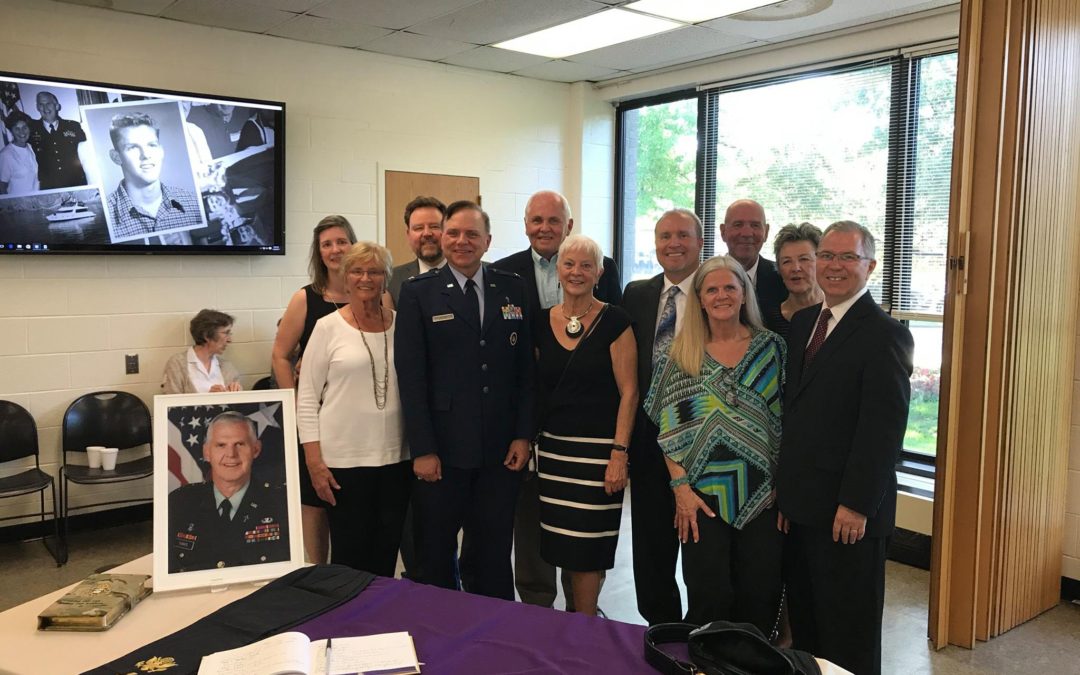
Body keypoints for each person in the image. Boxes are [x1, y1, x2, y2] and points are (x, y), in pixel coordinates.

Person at [776, 221, 914, 675]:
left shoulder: (884, 334)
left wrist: (856, 504)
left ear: (870, 266)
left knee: (848, 634)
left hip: (847, 515)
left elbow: (883, 430)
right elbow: (794, 419)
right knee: (811, 631)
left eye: (847, 257)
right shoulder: (801, 327)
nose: (834, 266)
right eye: (827, 256)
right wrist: (787, 494)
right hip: (801, 509)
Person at [395, 200, 533, 600]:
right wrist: (422, 448)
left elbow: (525, 371)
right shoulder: (418, 293)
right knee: (435, 555)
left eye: (472, 234)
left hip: (499, 451)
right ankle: (441, 635)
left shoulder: (512, 287)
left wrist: (523, 435)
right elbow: (412, 378)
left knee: (491, 553)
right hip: (443, 452)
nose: (461, 241)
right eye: (453, 233)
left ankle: (493, 633)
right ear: (442, 237)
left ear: (487, 241)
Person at [493, 189, 621, 610]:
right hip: (533, 422)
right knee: (531, 523)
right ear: (525, 225)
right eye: (536, 220)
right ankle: (536, 605)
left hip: (590, 428)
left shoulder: (604, 269)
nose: (544, 228)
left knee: (583, 527)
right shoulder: (504, 274)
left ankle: (582, 608)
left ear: (568, 225)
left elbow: (615, 344)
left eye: (553, 220)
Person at [645, 255, 786, 634]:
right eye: (712, 289)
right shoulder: (681, 357)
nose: (721, 295)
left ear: (744, 294)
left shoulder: (771, 350)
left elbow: (786, 424)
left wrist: (784, 486)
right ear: (701, 299)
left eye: (730, 287)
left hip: (763, 496)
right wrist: (681, 490)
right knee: (709, 595)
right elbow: (668, 431)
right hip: (701, 499)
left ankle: (753, 663)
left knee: (761, 592)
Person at [534, 234, 636, 616]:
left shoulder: (616, 321)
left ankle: (585, 627)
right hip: (556, 453)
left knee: (587, 548)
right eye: (569, 264)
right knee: (562, 544)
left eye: (586, 265)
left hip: (599, 455)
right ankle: (570, 625)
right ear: (558, 270)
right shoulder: (541, 322)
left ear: (600, 272)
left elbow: (629, 392)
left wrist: (619, 453)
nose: (577, 272)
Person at [297, 242, 411, 576]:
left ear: (385, 279)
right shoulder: (327, 328)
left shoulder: (401, 324)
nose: (366, 278)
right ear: (346, 279)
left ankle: (381, 622)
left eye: (374, 271)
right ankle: (346, 623)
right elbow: (307, 399)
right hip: (343, 462)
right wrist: (314, 462)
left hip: (395, 459)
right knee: (350, 554)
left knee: (386, 551)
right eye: (357, 271)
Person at [621, 207, 703, 624]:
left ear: (700, 242)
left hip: (702, 440)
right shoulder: (636, 294)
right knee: (651, 547)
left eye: (683, 235)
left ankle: (702, 633)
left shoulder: (718, 290)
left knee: (700, 546)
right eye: (665, 235)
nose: (674, 243)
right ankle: (661, 629)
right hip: (648, 440)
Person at [271, 215, 357, 564]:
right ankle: (318, 571)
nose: (335, 249)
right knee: (315, 501)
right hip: (316, 419)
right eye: (327, 244)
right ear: (318, 253)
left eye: (341, 241)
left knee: (350, 502)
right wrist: (293, 401)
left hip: (356, 420)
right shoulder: (305, 299)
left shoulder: (375, 294)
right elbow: (279, 355)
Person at [168, 411, 289, 573]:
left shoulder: (281, 502)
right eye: (221, 445)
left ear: (256, 449)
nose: (231, 454)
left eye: (239, 444)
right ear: (206, 452)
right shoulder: (180, 502)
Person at [105, 111, 202, 241]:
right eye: (132, 147)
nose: (146, 155)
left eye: (152, 145)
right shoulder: (105, 218)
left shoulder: (193, 203)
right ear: (116, 157)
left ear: (161, 150)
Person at [720, 199, 788, 332]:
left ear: (766, 232)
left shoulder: (783, 278)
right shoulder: (706, 280)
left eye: (755, 225)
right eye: (738, 225)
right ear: (723, 232)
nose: (746, 233)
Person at [161, 309, 242, 394]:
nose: (230, 340)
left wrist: (236, 392)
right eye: (226, 333)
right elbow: (171, 403)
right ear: (206, 335)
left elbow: (239, 404)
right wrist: (208, 400)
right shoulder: (177, 364)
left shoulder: (228, 367)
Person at [386, 196, 446, 307]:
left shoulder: (474, 273)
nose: (427, 233)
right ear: (408, 235)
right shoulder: (392, 280)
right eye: (418, 228)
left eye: (434, 226)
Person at [769, 223, 825, 339]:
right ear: (779, 268)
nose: (795, 268)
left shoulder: (838, 314)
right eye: (786, 261)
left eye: (804, 259)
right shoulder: (768, 321)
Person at [27, 91, 87, 189]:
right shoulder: (31, 130)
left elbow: (87, 153)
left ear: (57, 106)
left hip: (76, 183)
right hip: (49, 187)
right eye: (41, 104)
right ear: (37, 108)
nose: (45, 108)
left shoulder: (73, 126)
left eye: (48, 103)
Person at [0, 111, 39, 195]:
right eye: (17, 128)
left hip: (36, 202)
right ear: (11, 131)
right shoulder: (6, 154)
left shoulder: (31, 148)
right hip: (17, 205)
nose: (22, 132)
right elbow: (2, 186)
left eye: (24, 127)